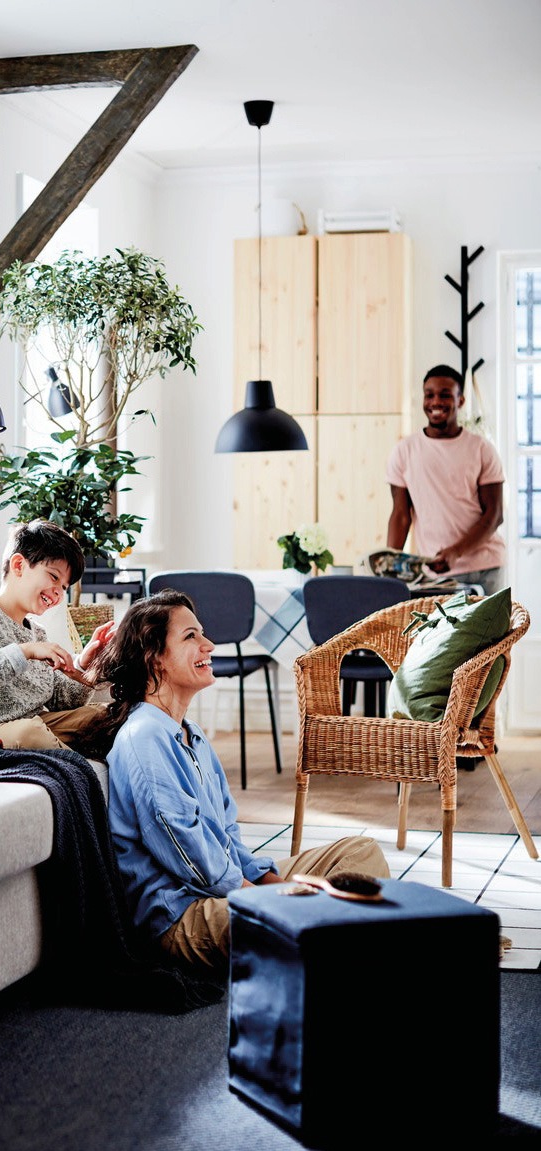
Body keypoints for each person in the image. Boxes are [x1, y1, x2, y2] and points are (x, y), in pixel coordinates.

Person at [98, 589, 389, 974]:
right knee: (327, 916)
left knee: (361, 852)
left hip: (224, 891)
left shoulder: (192, 734)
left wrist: (274, 883)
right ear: (155, 659)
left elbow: (228, 839)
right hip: (184, 916)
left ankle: (335, 930)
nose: (209, 645)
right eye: (190, 637)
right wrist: (274, 899)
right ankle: (352, 937)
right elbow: (190, 858)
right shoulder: (144, 737)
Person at [0, 519, 113, 752]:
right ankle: (76, 761)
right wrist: (25, 651)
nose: (58, 593)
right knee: (29, 732)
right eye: (54, 577)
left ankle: (68, 753)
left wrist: (85, 664)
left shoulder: (37, 633)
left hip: (40, 726)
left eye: (64, 587)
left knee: (110, 714)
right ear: (18, 565)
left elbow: (62, 701)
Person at [386, 364, 505, 594]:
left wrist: (455, 552)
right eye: (429, 395)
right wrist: (390, 566)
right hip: (436, 574)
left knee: (492, 632)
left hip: (486, 570)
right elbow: (401, 516)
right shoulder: (404, 451)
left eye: (445, 395)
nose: (436, 402)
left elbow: (494, 515)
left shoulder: (481, 449)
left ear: (460, 401)